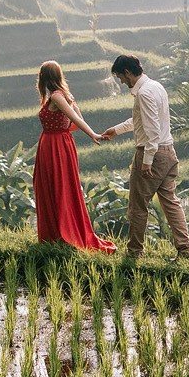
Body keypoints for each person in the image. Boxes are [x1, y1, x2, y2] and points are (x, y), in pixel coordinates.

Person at [94, 53, 189, 258]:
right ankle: (186, 249)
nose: (121, 82)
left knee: (138, 206)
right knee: (170, 202)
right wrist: (117, 129)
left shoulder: (144, 94)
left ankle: (134, 252)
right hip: (168, 152)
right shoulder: (156, 87)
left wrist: (147, 161)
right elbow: (142, 121)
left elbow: (152, 131)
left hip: (153, 153)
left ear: (128, 72)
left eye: (121, 77)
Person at [32, 61, 114, 251]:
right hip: (54, 144)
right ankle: (54, 234)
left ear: (43, 77)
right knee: (52, 186)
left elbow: (76, 119)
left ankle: (61, 233)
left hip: (56, 145)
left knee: (60, 187)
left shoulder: (57, 97)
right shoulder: (63, 96)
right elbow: (75, 119)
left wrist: (92, 134)